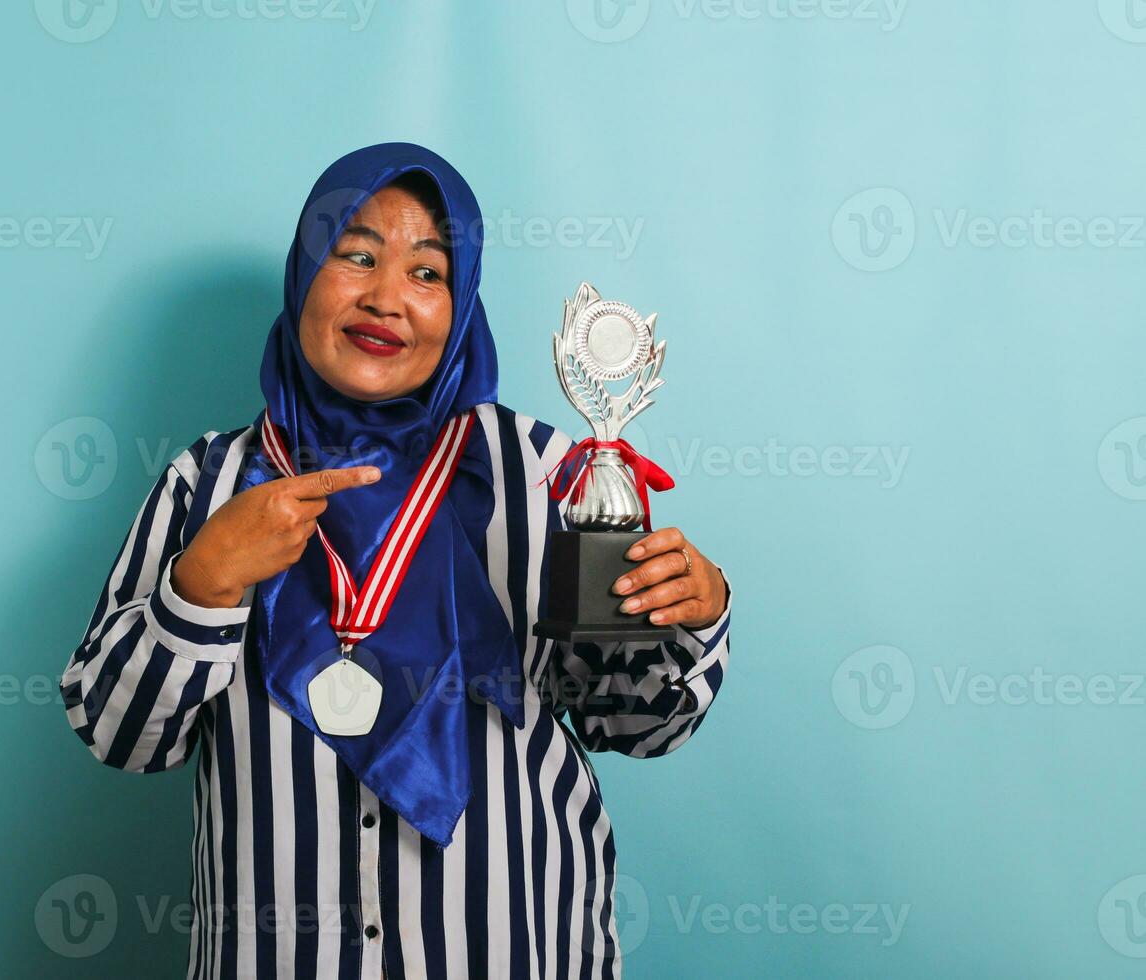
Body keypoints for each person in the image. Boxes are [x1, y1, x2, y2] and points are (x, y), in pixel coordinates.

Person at [60, 142, 731, 979]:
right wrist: (200, 585)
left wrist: (691, 616)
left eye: (428, 273)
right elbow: (120, 735)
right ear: (305, 272)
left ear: (464, 303)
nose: (386, 298)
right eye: (357, 254)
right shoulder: (208, 480)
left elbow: (633, 722)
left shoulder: (545, 473)